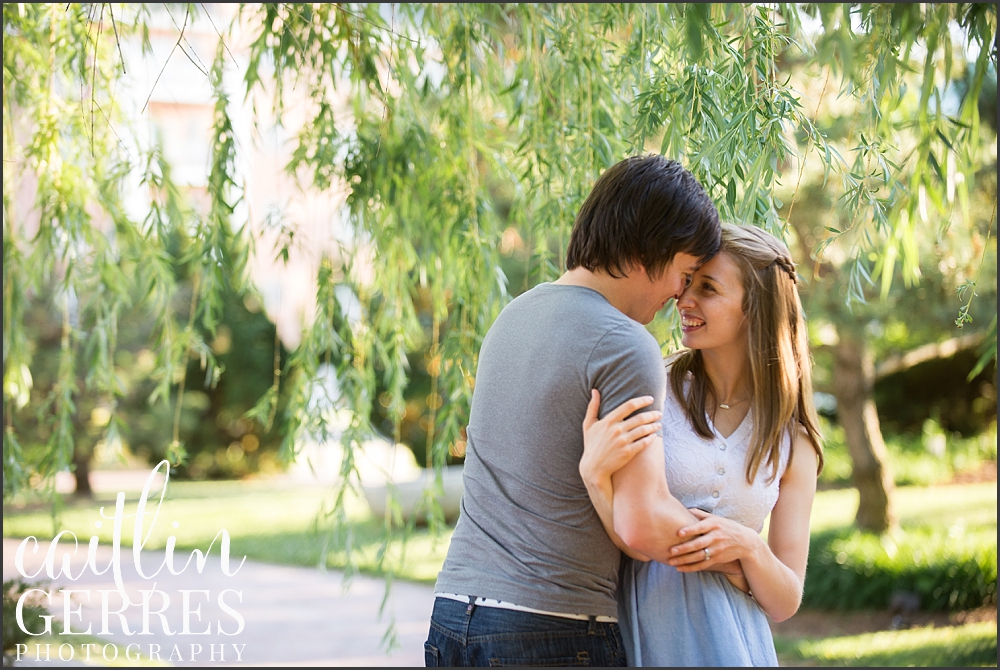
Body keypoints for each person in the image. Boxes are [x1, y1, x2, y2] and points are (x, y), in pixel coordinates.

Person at [424, 155, 722, 667]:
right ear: (652, 245)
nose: (680, 294)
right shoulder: (624, 344)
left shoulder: (512, 317)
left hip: (454, 616)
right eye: (686, 272)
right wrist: (745, 551)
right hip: (550, 627)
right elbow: (643, 523)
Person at [579, 222, 825, 666]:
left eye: (707, 288)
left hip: (735, 644)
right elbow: (632, 537)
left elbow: (786, 599)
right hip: (642, 633)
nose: (683, 300)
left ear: (756, 308)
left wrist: (748, 548)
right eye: (687, 282)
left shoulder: (794, 437)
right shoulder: (651, 385)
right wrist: (596, 480)